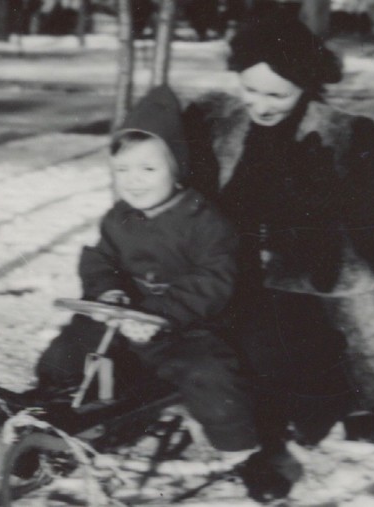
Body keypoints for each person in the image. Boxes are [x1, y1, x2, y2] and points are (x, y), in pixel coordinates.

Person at [184, 17, 374, 502]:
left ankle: (371, 390)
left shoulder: (347, 136)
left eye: (278, 95)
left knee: (302, 347)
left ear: (306, 84)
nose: (261, 106)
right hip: (230, 274)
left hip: (309, 277)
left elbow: (364, 241)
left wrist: (293, 238)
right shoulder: (216, 124)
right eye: (251, 90)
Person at [34, 85, 258, 454]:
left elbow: (215, 277)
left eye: (148, 168)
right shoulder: (119, 218)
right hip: (124, 322)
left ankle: (240, 450)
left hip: (185, 328)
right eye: (122, 169)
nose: (133, 179)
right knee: (71, 348)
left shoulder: (203, 221)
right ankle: (55, 406)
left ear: (177, 169)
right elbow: (99, 258)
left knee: (209, 375)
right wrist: (108, 290)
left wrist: (161, 314)